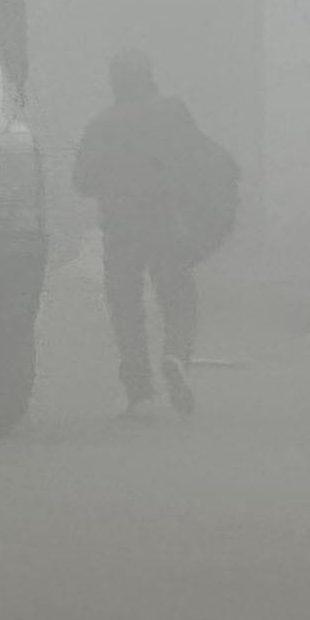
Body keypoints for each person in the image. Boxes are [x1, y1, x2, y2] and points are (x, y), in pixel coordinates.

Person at [70, 50, 231, 418]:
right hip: (168, 224)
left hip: (120, 228)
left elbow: (82, 182)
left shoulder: (101, 125)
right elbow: (199, 158)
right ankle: (175, 356)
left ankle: (139, 391)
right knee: (178, 299)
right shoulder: (173, 112)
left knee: (126, 308)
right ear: (149, 77)